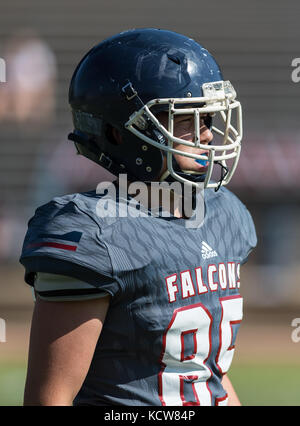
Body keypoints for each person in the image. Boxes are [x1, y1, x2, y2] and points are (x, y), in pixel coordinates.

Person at [20, 28, 257, 406]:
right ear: (118, 133)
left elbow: (206, 374)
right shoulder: (92, 232)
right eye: (186, 120)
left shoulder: (224, 213)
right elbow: (51, 397)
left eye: (208, 118)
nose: (208, 135)